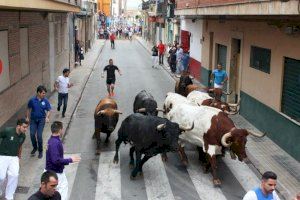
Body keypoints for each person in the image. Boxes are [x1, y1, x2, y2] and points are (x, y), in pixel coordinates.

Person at [45, 121, 81, 200]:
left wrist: (60, 153)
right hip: (55, 172)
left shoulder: (51, 140)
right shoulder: (55, 142)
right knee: (62, 192)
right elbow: (55, 160)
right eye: (62, 129)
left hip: (51, 171)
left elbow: (53, 155)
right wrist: (70, 160)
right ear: (60, 130)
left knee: (56, 191)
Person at [0, 119, 28, 200]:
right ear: (18, 126)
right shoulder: (7, 131)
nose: (26, 129)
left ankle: (9, 196)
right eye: (24, 127)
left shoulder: (23, 136)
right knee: (1, 177)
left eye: (26, 127)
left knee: (14, 175)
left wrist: (19, 157)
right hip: (3, 156)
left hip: (14, 157)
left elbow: (20, 146)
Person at [27, 85, 51, 159]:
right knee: (31, 134)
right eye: (43, 93)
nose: (44, 95)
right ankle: (35, 147)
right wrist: (27, 117)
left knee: (39, 136)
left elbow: (49, 110)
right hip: (33, 120)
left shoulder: (45, 101)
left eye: (44, 93)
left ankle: (40, 151)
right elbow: (28, 108)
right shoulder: (32, 100)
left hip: (41, 120)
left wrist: (47, 117)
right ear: (38, 93)